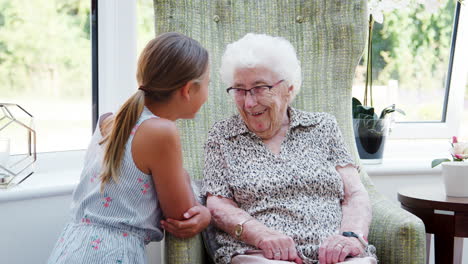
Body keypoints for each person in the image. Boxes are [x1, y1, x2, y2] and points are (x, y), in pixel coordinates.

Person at [201, 33, 377, 264]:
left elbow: (354, 193)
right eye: (240, 90)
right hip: (261, 255)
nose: (249, 102)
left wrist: (351, 237)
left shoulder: (323, 127)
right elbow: (217, 204)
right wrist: (263, 235)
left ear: (289, 89)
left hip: (336, 257)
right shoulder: (223, 136)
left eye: (259, 88)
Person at [47, 32, 211, 264]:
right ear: (187, 90)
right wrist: (205, 215)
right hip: (110, 255)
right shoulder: (161, 131)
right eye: (208, 83)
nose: (207, 94)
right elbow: (182, 215)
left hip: (72, 247)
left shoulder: (112, 120)